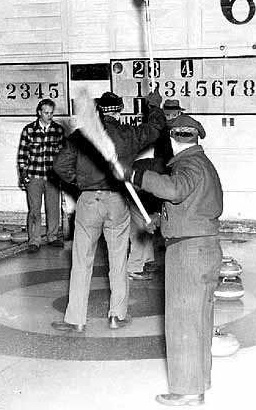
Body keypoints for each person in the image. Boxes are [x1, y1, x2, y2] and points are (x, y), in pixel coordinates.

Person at [127, 114, 223, 406]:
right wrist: (162, 219)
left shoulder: (189, 164)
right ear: (195, 137)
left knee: (182, 323)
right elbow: (195, 204)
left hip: (188, 254)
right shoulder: (204, 164)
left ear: (171, 140)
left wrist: (137, 176)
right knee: (199, 321)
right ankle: (198, 383)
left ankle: (185, 391)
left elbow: (176, 189)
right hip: (204, 247)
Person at [50, 90, 165, 333]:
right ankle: (117, 315)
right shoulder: (129, 135)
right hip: (117, 201)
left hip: (88, 202)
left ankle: (76, 319)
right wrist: (153, 106)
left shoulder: (81, 136)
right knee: (118, 260)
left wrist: (80, 182)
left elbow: (59, 165)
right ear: (121, 108)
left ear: (100, 109)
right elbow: (155, 128)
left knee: (81, 261)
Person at [127, 99, 185, 280]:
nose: (176, 116)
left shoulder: (171, 133)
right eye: (173, 114)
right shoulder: (168, 135)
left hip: (153, 182)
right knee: (141, 224)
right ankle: (134, 267)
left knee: (148, 221)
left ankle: (147, 260)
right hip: (145, 184)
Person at [17, 98, 66, 254]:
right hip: (34, 177)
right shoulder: (29, 130)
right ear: (39, 112)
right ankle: (34, 240)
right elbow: (23, 154)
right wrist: (23, 173)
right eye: (46, 113)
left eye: (51, 113)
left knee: (53, 209)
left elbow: (63, 155)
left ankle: (52, 236)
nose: (49, 116)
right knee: (34, 210)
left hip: (53, 177)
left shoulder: (58, 130)